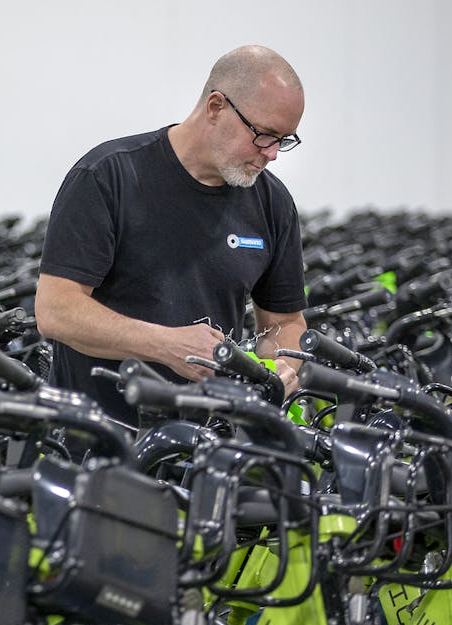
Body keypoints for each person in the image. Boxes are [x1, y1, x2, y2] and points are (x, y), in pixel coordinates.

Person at [35, 44, 308, 424]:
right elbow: (55, 311)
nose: (273, 153)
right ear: (216, 106)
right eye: (264, 135)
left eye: (285, 140)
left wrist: (282, 362)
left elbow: (285, 322)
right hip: (96, 437)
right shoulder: (108, 177)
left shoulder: (272, 203)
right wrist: (165, 345)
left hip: (207, 442)